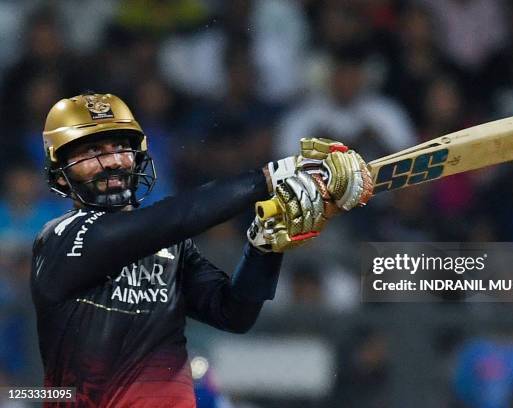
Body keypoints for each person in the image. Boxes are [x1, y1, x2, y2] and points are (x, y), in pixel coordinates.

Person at [30, 93, 372, 407]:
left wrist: (263, 247)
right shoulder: (60, 239)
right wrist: (271, 176)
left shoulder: (169, 244)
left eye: (121, 147)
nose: (114, 162)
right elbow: (169, 220)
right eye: (93, 152)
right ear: (60, 173)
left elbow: (233, 314)